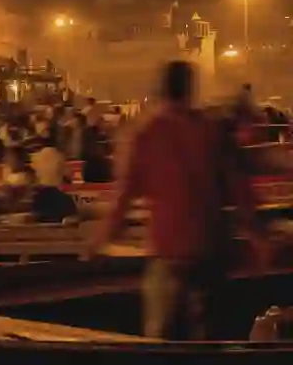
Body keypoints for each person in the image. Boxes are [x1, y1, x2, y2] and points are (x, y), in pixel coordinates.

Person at [96, 60, 264, 339]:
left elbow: (123, 197)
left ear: (161, 89)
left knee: (163, 344)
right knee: (211, 339)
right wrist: (258, 237)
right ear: (190, 89)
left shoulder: (144, 133)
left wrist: (100, 241)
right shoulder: (210, 131)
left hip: (169, 253)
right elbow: (240, 191)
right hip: (210, 250)